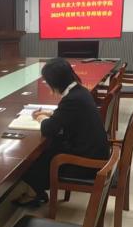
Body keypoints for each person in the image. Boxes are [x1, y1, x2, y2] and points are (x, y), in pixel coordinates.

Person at [12, 58, 110, 207]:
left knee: (30, 161)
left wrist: (41, 118)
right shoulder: (80, 91)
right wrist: (51, 114)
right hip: (93, 150)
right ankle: (36, 190)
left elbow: (48, 128)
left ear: (54, 82)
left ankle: (35, 194)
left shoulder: (72, 99)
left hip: (88, 163)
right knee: (47, 151)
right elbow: (69, 116)